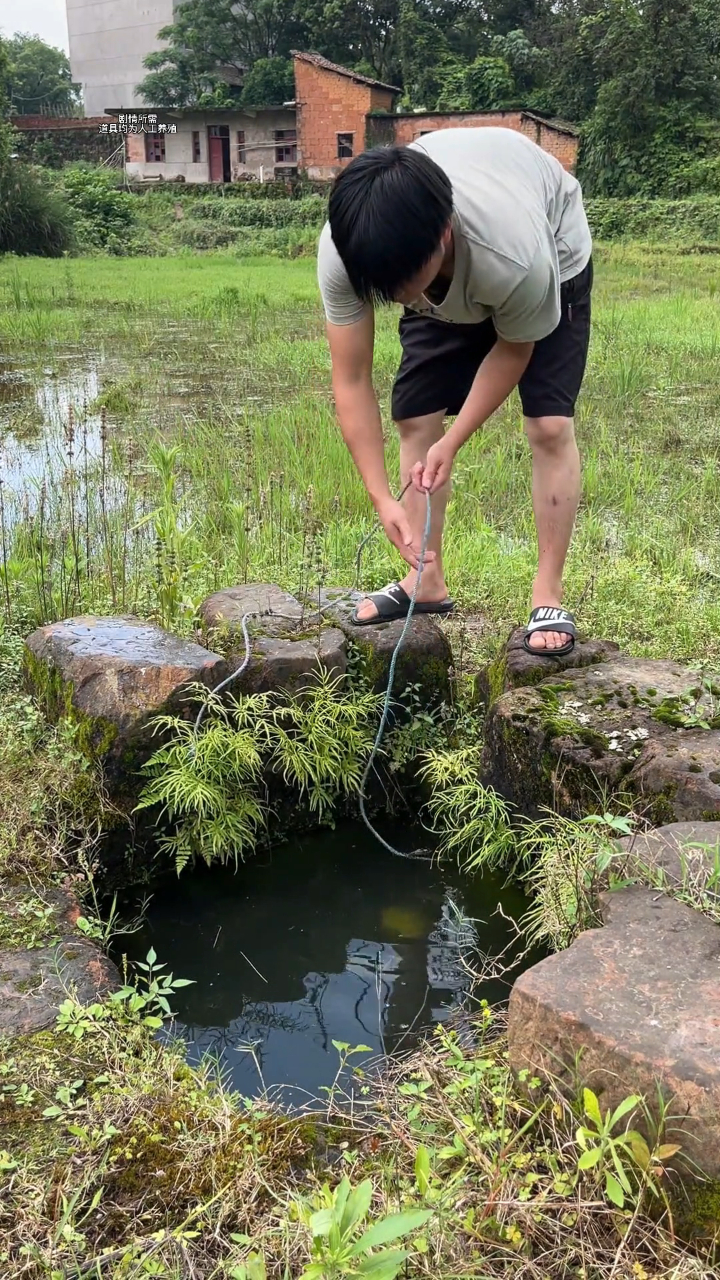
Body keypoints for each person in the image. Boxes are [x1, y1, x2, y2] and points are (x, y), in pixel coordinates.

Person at [317, 126, 593, 655]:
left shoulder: (514, 255)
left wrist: (454, 440)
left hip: (550, 247)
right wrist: (380, 496)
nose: (398, 297)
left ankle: (547, 593)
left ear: (443, 234)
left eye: (405, 282)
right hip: (448, 250)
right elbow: (350, 379)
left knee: (548, 423)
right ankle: (425, 580)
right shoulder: (352, 247)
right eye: (385, 288)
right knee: (415, 416)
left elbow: (514, 349)